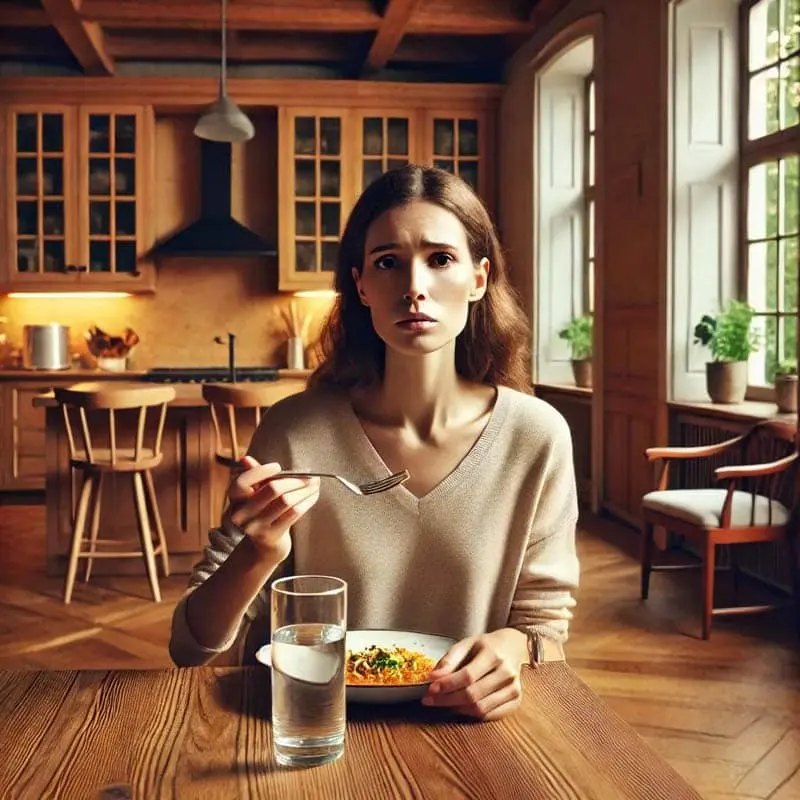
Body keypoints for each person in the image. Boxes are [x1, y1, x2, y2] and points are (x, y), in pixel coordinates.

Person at [170, 165, 580, 721]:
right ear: (361, 284)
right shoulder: (294, 431)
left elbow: (544, 633)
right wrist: (259, 550)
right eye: (388, 262)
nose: (415, 286)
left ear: (479, 279)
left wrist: (516, 646)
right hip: (308, 723)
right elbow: (189, 648)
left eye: (441, 259)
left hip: (465, 732)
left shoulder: (537, 436)